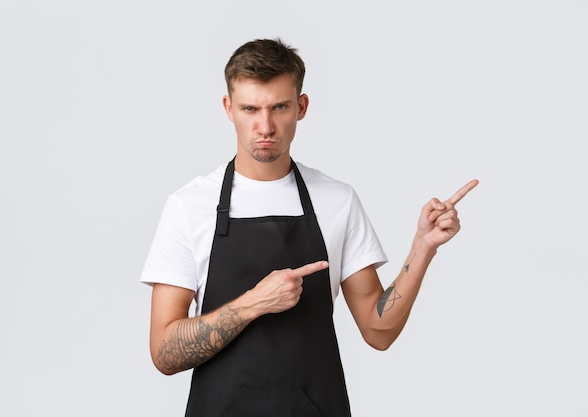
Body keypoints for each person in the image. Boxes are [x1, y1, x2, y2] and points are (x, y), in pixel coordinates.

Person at [141, 37, 478, 416]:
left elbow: (377, 331)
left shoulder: (337, 200)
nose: (264, 126)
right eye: (250, 108)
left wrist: (422, 248)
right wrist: (253, 304)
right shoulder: (189, 207)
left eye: (279, 107)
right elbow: (164, 353)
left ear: (301, 107)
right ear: (228, 108)